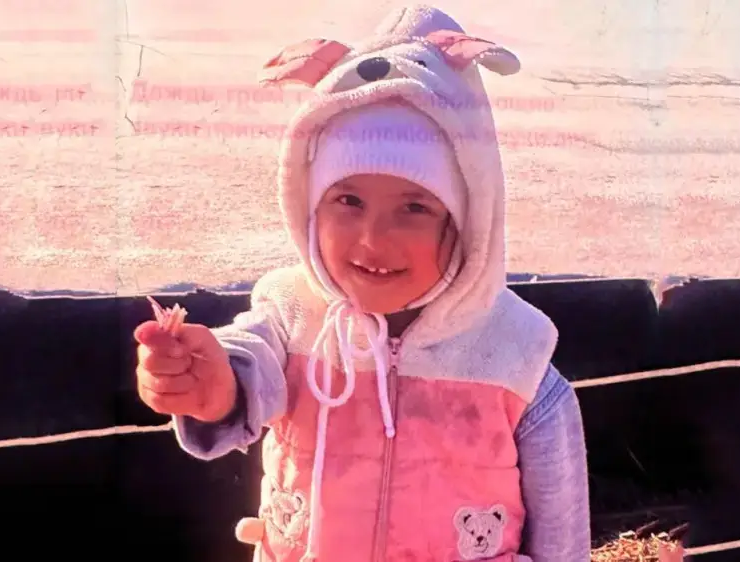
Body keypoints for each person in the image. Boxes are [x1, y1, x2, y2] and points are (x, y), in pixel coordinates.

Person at [133, 5, 590, 561]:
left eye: (414, 208)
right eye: (348, 200)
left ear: (468, 218)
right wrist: (211, 383)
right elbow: (246, 364)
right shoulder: (291, 318)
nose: (372, 239)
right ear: (308, 205)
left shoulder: (517, 362)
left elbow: (563, 545)